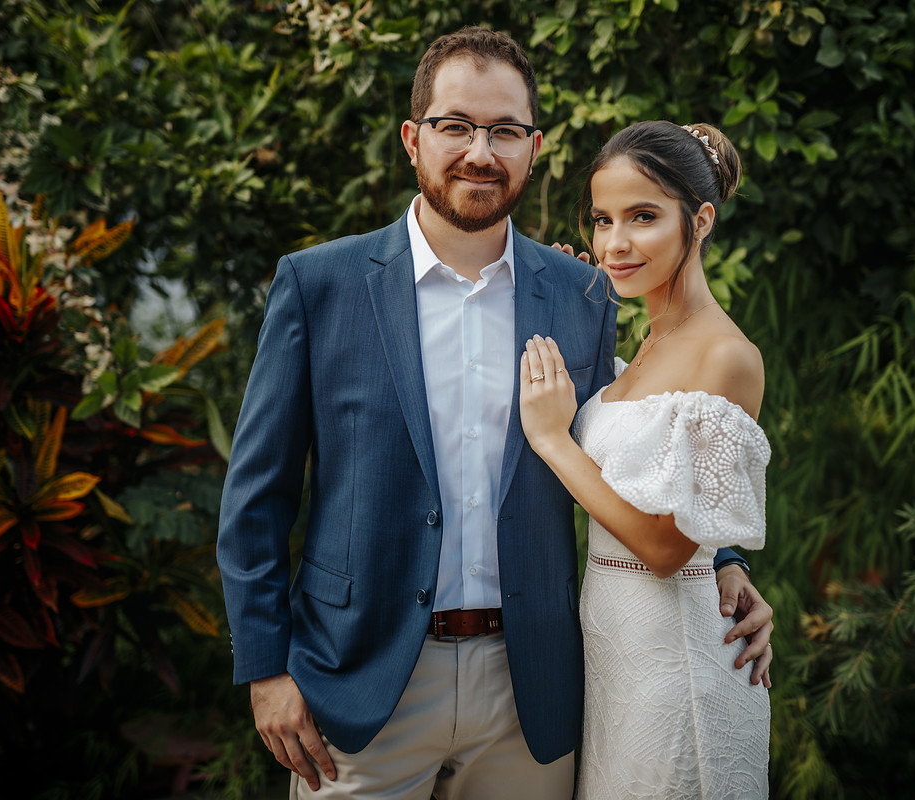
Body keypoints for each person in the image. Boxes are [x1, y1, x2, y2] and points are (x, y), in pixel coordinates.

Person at [216, 27, 773, 799]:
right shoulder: (321, 286)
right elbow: (255, 496)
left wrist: (723, 562)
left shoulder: (583, 296)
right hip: (362, 680)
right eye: (455, 126)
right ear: (413, 139)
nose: (480, 150)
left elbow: (633, 445)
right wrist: (265, 669)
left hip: (534, 689)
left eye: (504, 130)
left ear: (533, 147)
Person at [518, 119, 771, 798]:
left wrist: (553, 441)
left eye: (644, 217)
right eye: (603, 220)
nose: (615, 243)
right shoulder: (642, 352)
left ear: (701, 219)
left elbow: (664, 546)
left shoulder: (726, 357)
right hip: (613, 659)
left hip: (676, 668)